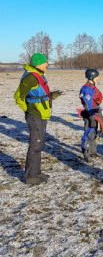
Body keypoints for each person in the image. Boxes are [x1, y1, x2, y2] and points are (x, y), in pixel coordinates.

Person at [12, 53, 62, 184]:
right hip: (35, 115)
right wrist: (28, 109)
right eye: (45, 63)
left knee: (39, 144)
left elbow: (39, 94)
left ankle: (36, 172)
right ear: (38, 64)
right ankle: (30, 176)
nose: (47, 65)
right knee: (35, 144)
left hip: (41, 114)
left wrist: (51, 95)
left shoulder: (39, 75)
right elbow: (18, 97)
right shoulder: (30, 78)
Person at [78, 69, 103, 162]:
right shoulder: (86, 89)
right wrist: (91, 117)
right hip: (89, 113)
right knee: (88, 132)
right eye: (97, 77)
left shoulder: (92, 86)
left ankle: (93, 151)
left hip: (95, 111)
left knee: (94, 132)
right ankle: (86, 152)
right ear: (92, 77)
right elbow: (87, 104)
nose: (98, 78)